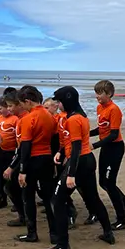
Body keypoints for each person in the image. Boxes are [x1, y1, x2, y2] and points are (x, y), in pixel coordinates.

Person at [46, 86, 115, 249]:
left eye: (60, 102)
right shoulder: (80, 115)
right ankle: (108, 233)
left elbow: (76, 147)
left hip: (80, 162)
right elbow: (70, 141)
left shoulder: (73, 119)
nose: (58, 105)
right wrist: (61, 152)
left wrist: (70, 174)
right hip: (87, 160)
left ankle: (63, 245)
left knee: (57, 200)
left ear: (67, 100)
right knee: (93, 198)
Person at [4, 85, 59, 243]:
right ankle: (54, 234)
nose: (21, 106)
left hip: (33, 160)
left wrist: (22, 170)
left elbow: (25, 147)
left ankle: (31, 233)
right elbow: (54, 141)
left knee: (28, 197)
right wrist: (54, 161)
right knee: (48, 198)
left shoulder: (28, 119)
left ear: (28, 101)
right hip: (47, 159)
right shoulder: (49, 116)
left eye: (22, 103)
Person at [91, 80, 125, 230]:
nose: (97, 96)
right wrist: (86, 134)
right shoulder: (100, 108)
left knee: (110, 183)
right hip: (106, 147)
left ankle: (122, 219)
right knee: (103, 182)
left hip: (115, 147)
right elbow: (101, 128)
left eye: (100, 93)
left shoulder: (114, 110)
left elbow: (113, 134)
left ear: (109, 94)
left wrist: (95, 145)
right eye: (96, 93)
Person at [44, 97, 77, 227]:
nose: (45, 110)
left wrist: (63, 155)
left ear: (55, 107)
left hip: (60, 155)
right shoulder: (49, 119)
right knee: (52, 184)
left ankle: (70, 211)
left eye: (47, 108)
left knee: (60, 185)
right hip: (51, 155)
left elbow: (63, 140)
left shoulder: (60, 119)